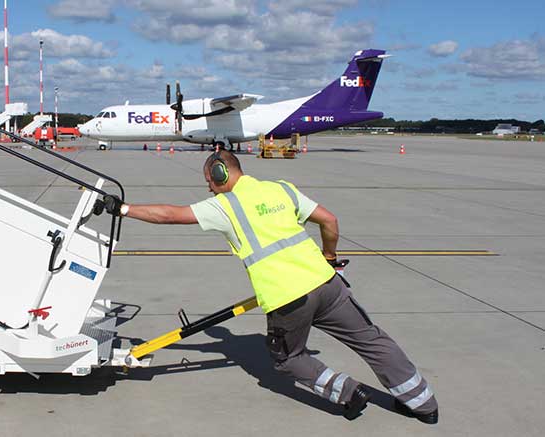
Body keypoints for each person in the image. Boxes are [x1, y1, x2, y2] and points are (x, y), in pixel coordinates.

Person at [94, 150, 438, 423]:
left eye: (210, 183)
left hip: (288, 298)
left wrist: (123, 208)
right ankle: (423, 404)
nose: (209, 190)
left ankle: (347, 393)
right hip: (328, 282)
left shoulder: (225, 204)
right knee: (371, 340)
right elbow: (330, 220)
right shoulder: (281, 189)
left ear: (220, 175)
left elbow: (170, 215)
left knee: (289, 358)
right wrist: (329, 255)